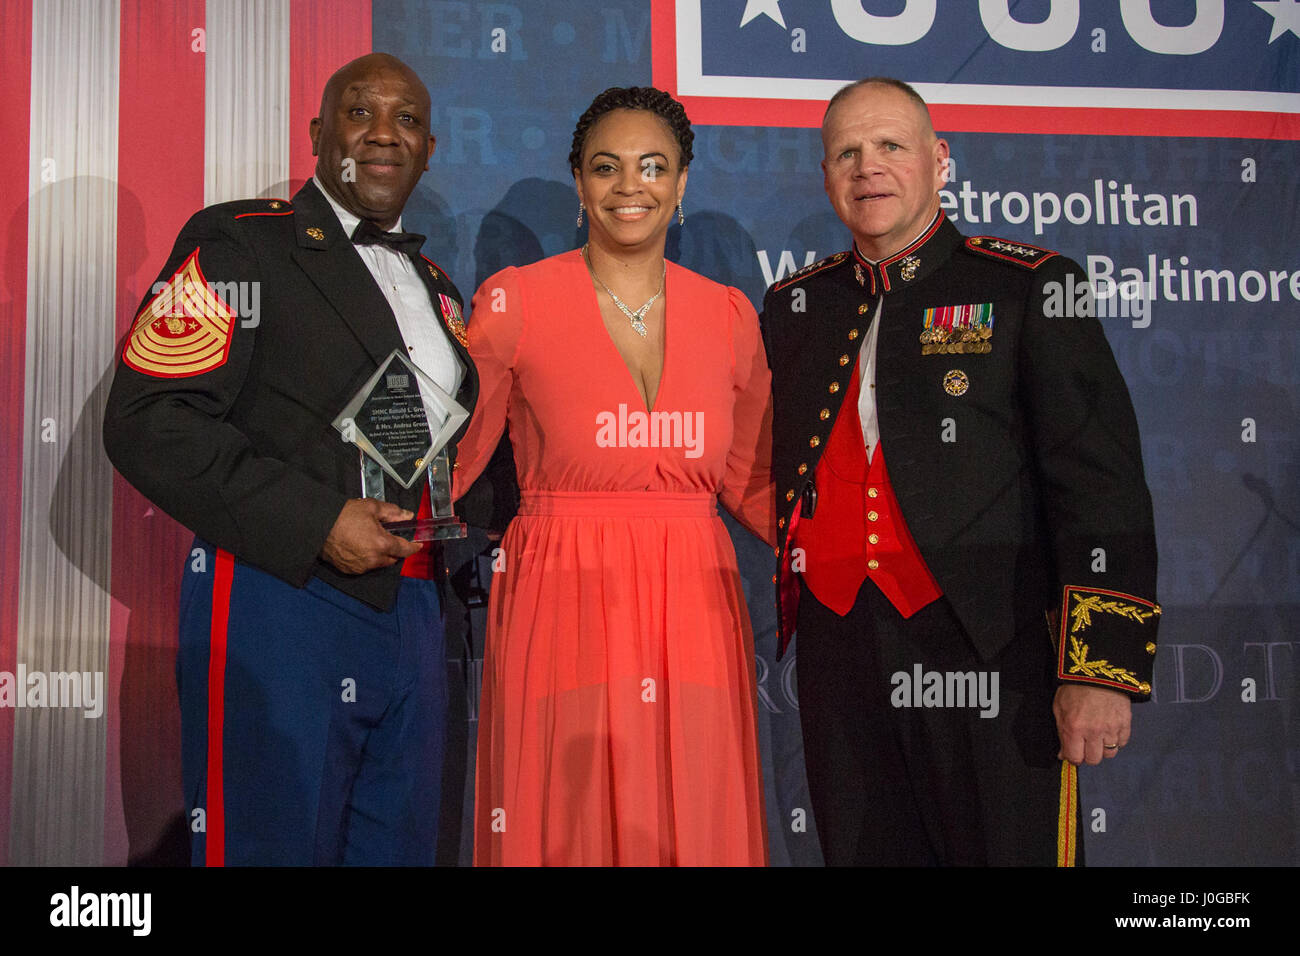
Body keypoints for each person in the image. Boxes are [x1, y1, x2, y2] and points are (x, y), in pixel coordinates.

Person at [762, 78, 1160, 866]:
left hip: (991, 646)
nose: (867, 167)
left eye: (890, 147)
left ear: (940, 161)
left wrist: (1101, 669)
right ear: (825, 174)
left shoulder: (1027, 284)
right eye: (846, 152)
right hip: (842, 652)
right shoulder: (795, 305)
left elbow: (1101, 483)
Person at [102, 53, 477, 865]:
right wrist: (316, 522)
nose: (384, 134)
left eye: (407, 119)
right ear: (317, 134)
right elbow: (148, 418)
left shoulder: (438, 287)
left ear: (431, 147)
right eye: (360, 112)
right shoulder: (243, 245)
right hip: (284, 601)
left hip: (415, 619)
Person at [453, 86, 774, 866]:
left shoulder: (731, 314)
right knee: (567, 823)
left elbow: (757, 482)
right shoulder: (514, 301)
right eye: (607, 167)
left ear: (683, 182)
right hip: (562, 593)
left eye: (653, 166)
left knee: (689, 823)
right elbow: (448, 463)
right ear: (578, 182)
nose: (631, 187)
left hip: (695, 601)